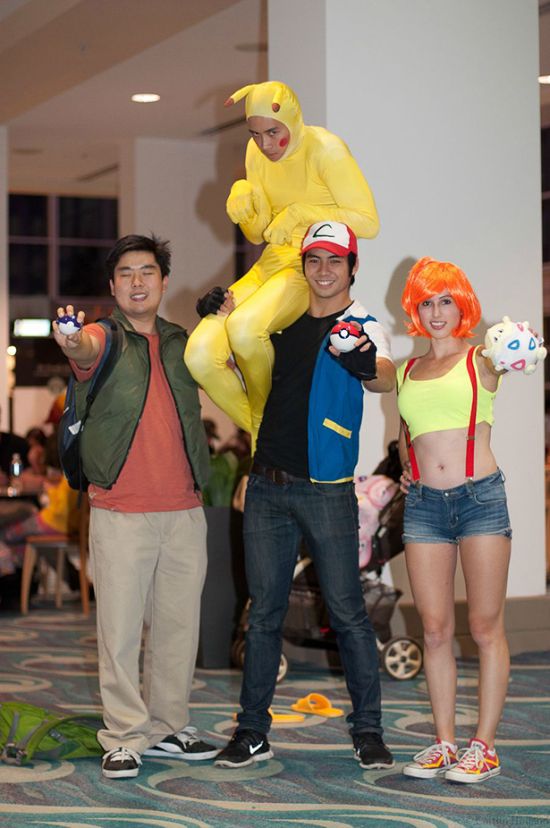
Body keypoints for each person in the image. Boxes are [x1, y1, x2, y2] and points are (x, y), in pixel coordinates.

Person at [214, 220, 396, 770]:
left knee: (348, 613)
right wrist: (218, 318)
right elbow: (237, 363)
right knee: (263, 615)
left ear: (352, 267)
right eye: (314, 259)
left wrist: (362, 359)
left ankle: (368, 731)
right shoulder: (283, 319)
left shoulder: (362, 323)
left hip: (327, 490)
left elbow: (384, 376)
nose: (323, 270)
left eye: (335, 260)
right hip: (267, 485)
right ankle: (252, 731)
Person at [52, 234, 217, 780]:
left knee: (178, 629)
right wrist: (70, 338)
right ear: (113, 285)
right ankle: (124, 735)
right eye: (126, 273)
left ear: (164, 281)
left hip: (185, 509)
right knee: (119, 632)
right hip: (121, 508)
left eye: (147, 271)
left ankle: (168, 727)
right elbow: (82, 349)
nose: (137, 281)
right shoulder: (106, 337)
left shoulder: (180, 342)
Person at [397, 257, 544, 784]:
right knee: (435, 630)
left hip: (480, 499)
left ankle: (484, 745)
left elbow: (518, 352)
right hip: (425, 508)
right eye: (426, 302)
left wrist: (522, 344)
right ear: (415, 309)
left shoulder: (482, 359)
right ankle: (444, 742)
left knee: (484, 627)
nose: (436, 312)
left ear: (462, 306)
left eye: (446, 301)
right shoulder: (406, 371)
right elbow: (407, 432)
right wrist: (408, 467)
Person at [184, 81, 380, 448]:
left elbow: (368, 223)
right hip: (270, 264)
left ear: (292, 120)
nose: (265, 144)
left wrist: (300, 214)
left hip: (306, 266)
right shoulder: (255, 153)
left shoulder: (325, 149)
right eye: (255, 134)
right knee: (199, 356)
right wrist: (243, 202)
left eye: (273, 132)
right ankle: (266, 433)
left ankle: (267, 429)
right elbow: (259, 234)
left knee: (244, 329)